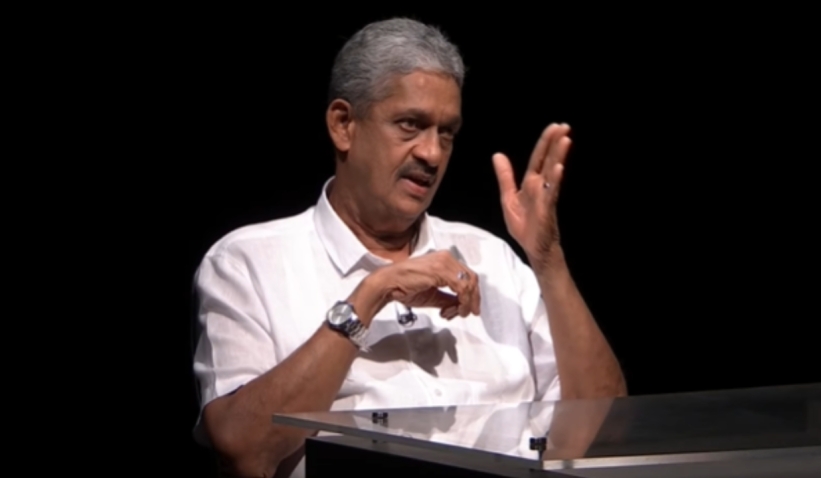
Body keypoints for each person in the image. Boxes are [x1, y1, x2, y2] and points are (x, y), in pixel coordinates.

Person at [193, 17, 626, 477]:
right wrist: (370, 296)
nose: (432, 153)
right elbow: (244, 449)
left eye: (447, 133)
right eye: (410, 125)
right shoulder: (247, 262)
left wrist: (547, 260)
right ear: (343, 125)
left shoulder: (492, 259)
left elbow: (607, 429)